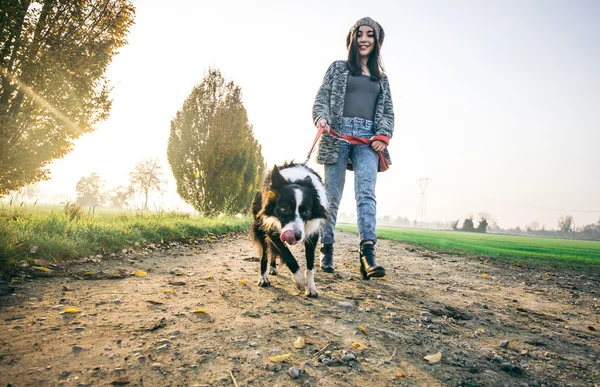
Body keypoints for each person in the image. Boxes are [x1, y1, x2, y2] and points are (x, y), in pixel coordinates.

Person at [312, 16, 394, 279]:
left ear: (377, 41)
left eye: (370, 34)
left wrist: (384, 134)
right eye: (359, 34)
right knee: (332, 196)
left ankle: (367, 255)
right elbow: (321, 98)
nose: (364, 39)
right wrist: (321, 118)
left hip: (368, 141)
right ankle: (326, 249)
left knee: (365, 195)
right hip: (337, 135)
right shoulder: (337, 68)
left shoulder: (382, 78)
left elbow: (388, 112)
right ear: (351, 39)